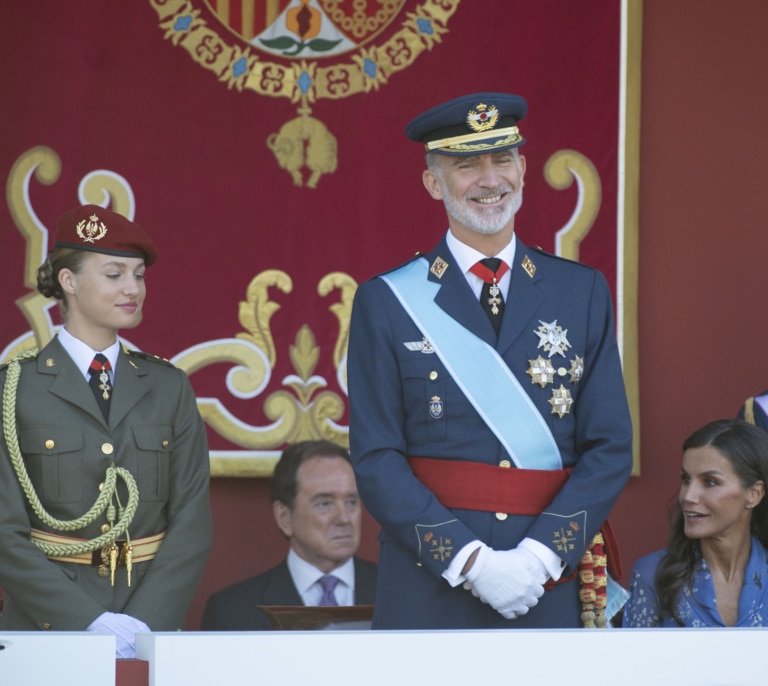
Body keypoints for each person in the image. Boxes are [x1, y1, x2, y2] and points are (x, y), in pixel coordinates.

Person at [346, 92, 633, 629]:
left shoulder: (582, 291)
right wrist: (470, 562)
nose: (489, 179)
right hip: (429, 582)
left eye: (502, 159)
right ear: (434, 183)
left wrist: (539, 557)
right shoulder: (387, 301)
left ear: (523, 169)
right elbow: (376, 457)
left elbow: (610, 446)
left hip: (546, 583)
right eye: (466, 165)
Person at [0, 204, 212, 657]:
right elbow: (4, 531)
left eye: (139, 275)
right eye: (115, 274)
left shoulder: (169, 387)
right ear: (69, 281)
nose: (133, 289)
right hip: (46, 630)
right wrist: (87, 622)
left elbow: (192, 522)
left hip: (151, 628)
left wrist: (143, 623)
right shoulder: (13, 389)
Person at [201, 440, 377, 630]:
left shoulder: (400, 594)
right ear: (284, 517)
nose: (344, 518)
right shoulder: (234, 611)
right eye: (324, 504)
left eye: (351, 502)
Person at [624, 419, 768, 627]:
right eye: (686, 479)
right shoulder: (652, 575)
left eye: (710, 482)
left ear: (754, 494)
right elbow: (634, 658)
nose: (688, 496)